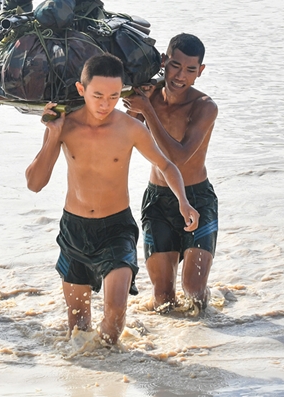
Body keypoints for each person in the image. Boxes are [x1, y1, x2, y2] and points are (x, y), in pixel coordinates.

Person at [25, 54, 197, 345]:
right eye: (98, 96)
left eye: (114, 96)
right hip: (75, 230)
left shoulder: (128, 128)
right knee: (77, 328)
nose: (106, 104)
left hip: (117, 229)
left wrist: (183, 200)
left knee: (115, 314)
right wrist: (53, 135)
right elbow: (35, 184)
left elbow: (167, 165)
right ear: (82, 90)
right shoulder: (64, 126)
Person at [123, 34, 219, 313]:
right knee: (163, 299)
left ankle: (205, 334)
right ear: (164, 61)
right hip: (158, 201)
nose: (180, 76)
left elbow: (177, 157)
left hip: (197, 199)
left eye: (190, 70)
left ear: (200, 71)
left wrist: (148, 111)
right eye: (175, 66)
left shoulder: (204, 107)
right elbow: (123, 131)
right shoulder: (147, 95)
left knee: (194, 294)